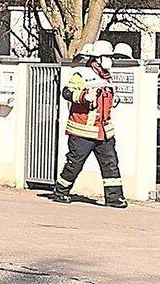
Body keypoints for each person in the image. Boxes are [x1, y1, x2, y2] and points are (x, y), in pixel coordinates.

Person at [53, 40, 128, 208]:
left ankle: (114, 198)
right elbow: (67, 92)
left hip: (104, 131)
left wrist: (113, 101)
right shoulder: (82, 74)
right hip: (82, 132)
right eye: (107, 57)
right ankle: (60, 191)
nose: (110, 60)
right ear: (96, 59)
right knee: (74, 165)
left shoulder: (108, 77)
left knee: (111, 165)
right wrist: (83, 97)